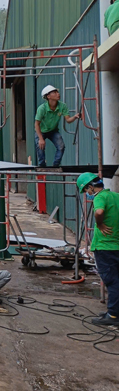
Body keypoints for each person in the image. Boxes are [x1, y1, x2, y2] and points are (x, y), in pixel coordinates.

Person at [77, 172, 119, 326]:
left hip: (105, 246)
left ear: (91, 187)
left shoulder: (100, 197)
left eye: (86, 190)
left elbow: (99, 212)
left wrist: (100, 224)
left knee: (112, 281)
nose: (87, 193)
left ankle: (113, 315)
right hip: (116, 245)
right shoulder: (116, 196)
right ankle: (114, 310)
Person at [34, 85, 80, 168]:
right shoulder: (42, 108)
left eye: (57, 92)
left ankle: (55, 165)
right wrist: (41, 139)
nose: (58, 94)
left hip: (53, 131)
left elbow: (68, 120)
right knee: (40, 146)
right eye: (55, 92)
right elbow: (36, 124)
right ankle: (42, 166)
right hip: (41, 130)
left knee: (61, 146)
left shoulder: (62, 106)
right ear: (48, 96)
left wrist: (75, 117)